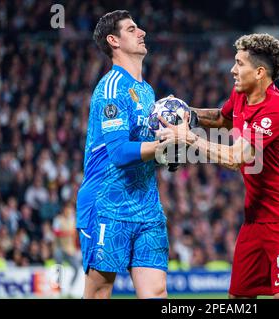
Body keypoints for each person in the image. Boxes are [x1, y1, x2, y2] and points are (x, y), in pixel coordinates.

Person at [159, 33, 279, 299]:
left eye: (239, 63)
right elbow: (222, 118)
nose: (232, 69)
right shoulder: (242, 95)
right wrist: (186, 113)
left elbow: (236, 158)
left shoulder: (275, 110)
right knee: (238, 298)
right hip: (256, 217)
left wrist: (189, 137)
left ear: (259, 72)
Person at [76, 10, 175, 299]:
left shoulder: (147, 91)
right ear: (113, 40)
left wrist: (170, 152)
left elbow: (149, 150)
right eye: (132, 29)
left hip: (147, 206)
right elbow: (119, 153)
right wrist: (164, 148)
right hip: (107, 204)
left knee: (156, 292)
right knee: (99, 292)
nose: (142, 32)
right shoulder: (110, 88)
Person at [52, 202, 81, 296]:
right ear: (64, 210)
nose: (69, 211)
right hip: (59, 247)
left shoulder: (73, 220)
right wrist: (68, 233)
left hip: (70, 249)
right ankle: (57, 290)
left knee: (77, 268)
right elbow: (56, 233)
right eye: (68, 208)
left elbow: (76, 236)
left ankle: (70, 289)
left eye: (71, 209)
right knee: (58, 267)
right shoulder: (58, 219)